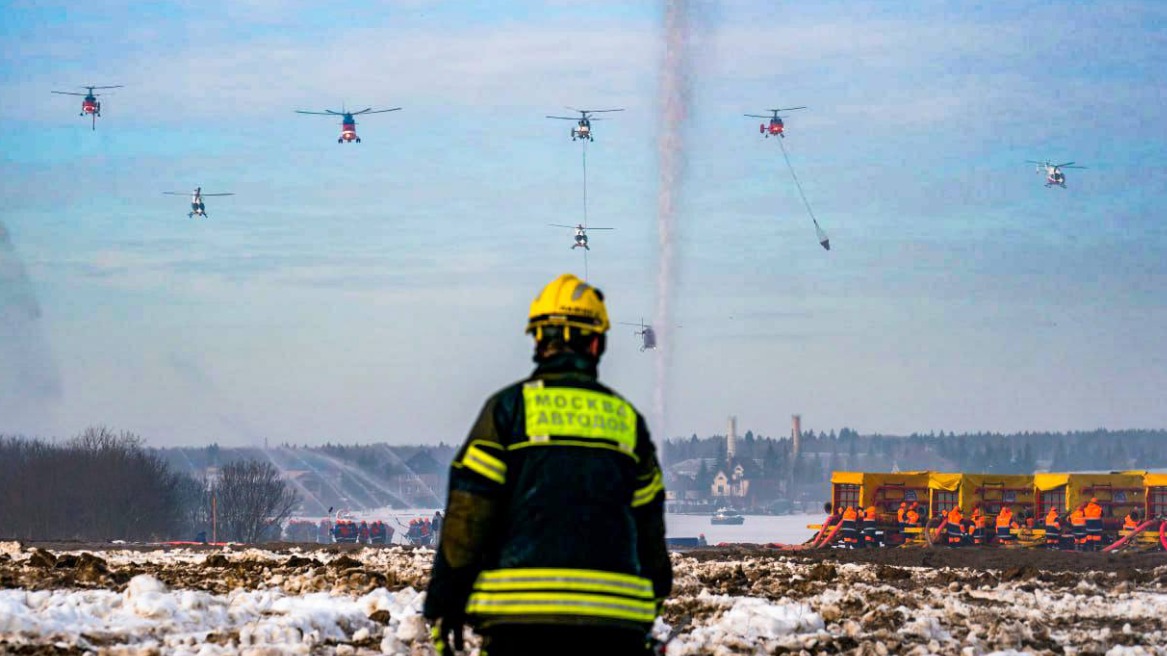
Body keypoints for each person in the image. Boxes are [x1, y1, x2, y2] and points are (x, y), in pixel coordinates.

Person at [423, 273, 672, 656]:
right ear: (596, 343)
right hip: (613, 625)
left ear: (539, 339)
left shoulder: (508, 410)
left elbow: (468, 514)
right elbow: (650, 530)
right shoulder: (627, 421)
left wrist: (445, 600)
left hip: (519, 621)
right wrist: (650, 601)